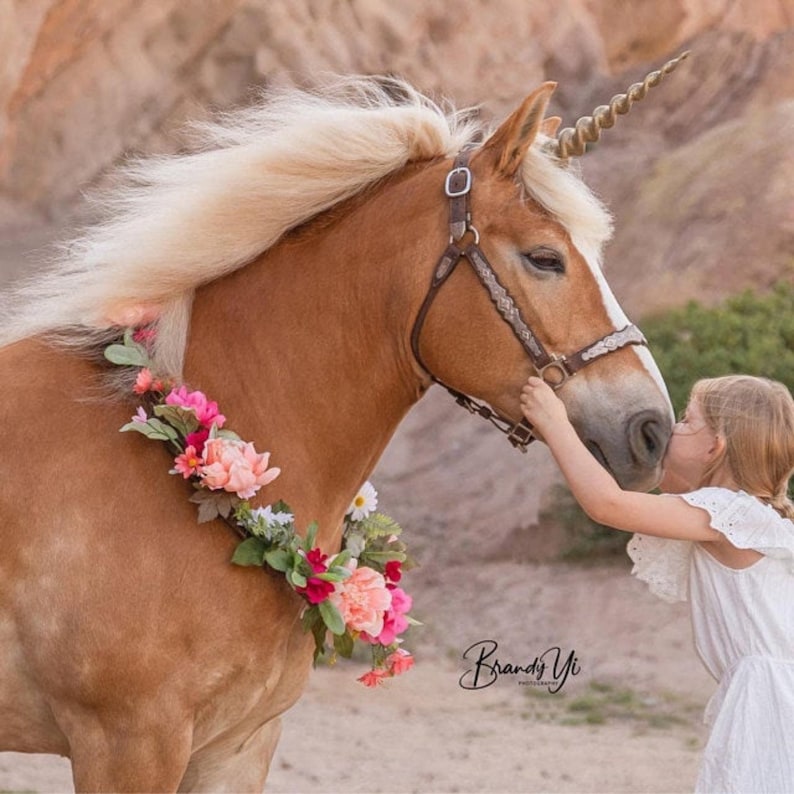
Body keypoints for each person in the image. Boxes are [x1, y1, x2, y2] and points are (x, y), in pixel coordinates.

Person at [520, 374, 794, 794]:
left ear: (715, 446)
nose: (672, 429)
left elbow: (607, 504)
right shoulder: (752, 518)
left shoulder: (725, 511)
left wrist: (555, 422)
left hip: (772, 702)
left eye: (686, 421)